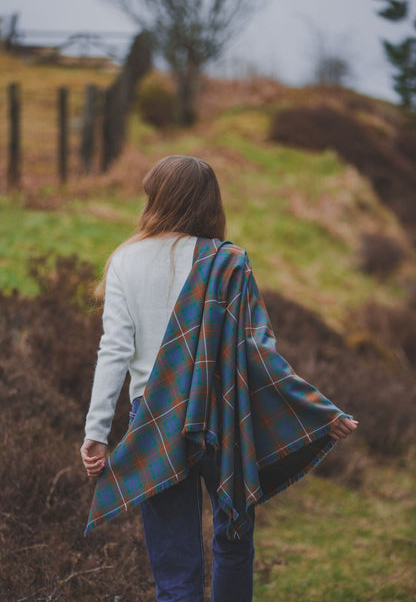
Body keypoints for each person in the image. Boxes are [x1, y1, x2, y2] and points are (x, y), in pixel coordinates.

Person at [80, 154, 358, 602]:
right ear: (209, 203)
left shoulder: (125, 261)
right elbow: (257, 352)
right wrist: (319, 412)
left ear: (158, 199)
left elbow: (113, 351)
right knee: (233, 542)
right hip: (223, 412)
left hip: (153, 417)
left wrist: (96, 432)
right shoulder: (229, 261)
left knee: (174, 567)